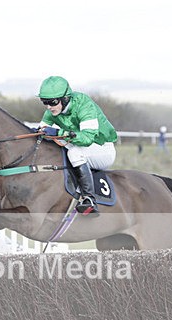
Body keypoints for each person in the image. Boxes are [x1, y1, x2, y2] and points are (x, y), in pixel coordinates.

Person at [36, 76, 117, 216]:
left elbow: (86, 138)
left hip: (102, 148)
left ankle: (89, 200)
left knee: (74, 153)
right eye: (45, 102)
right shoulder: (52, 110)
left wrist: (58, 132)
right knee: (55, 147)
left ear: (65, 98)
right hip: (80, 145)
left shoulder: (84, 104)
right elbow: (41, 131)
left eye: (53, 102)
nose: (49, 107)